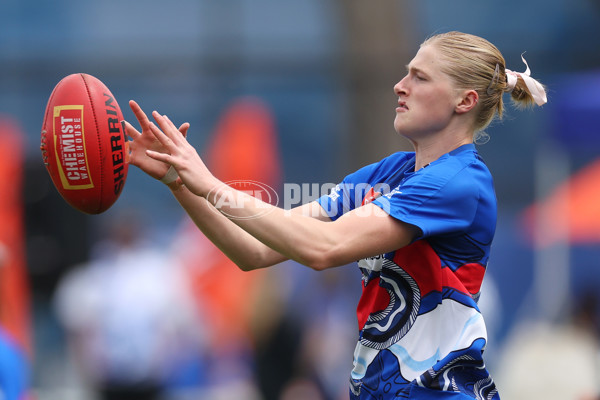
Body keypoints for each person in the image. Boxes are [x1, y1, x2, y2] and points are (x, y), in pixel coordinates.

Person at [123, 31, 547, 399]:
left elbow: (324, 247)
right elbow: (255, 250)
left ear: (465, 100)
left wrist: (208, 182)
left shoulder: (457, 182)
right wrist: (181, 182)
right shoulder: (389, 172)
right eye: (405, 73)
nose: (400, 86)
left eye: (420, 77)